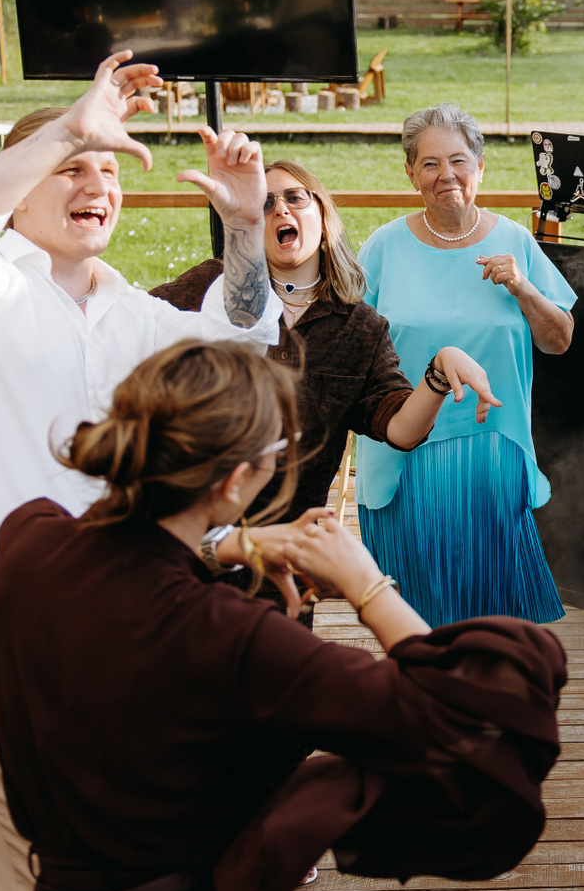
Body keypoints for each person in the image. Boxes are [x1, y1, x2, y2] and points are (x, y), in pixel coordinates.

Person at [0, 51, 285, 891]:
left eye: (110, 168)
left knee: (110, 875)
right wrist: (66, 127)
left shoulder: (130, 312)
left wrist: (244, 229)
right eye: (72, 167)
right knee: (35, 890)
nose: (98, 182)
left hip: (108, 613)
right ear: (17, 189)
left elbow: (241, 349)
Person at [0, 340, 567, 891]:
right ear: (236, 480)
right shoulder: (232, 636)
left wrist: (236, 543)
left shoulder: (27, 542)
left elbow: (123, 547)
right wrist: (368, 586)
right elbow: (469, 719)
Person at [150, 157, 497, 618]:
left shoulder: (360, 327)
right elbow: (130, 325)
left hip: (285, 554)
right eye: (265, 202)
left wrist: (437, 372)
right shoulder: (211, 286)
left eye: (295, 197)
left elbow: (401, 429)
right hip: (187, 540)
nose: (280, 210)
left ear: (323, 215)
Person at [354, 104, 574, 626]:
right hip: (406, 449)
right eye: (429, 164)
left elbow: (559, 341)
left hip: (493, 451)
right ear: (410, 174)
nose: (445, 175)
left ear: (480, 167)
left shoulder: (516, 241)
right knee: (414, 608)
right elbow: (353, 347)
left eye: (458, 160)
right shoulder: (383, 247)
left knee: (493, 605)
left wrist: (523, 289)